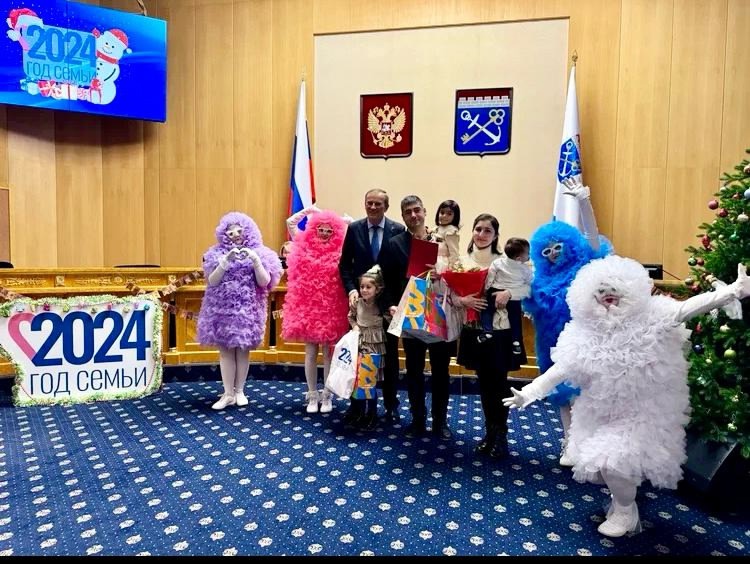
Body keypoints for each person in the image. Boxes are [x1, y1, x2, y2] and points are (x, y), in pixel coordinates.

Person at [504, 257, 750, 537]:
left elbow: (687, 308)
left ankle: (625, 511)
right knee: (598, 471)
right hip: (600, 412)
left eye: (615, 290)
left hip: (642, 413)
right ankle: (621, 498)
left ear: (630, 289)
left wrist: (731, 291)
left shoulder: (653, 315)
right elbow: (561, 370)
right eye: (601, 291)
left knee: (613, 463)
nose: (608, 296)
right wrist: (528, 393)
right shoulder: (583, 331)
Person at [522, 179, 612, 465]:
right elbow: (532, 303)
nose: (552, 254)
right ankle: (570, 443)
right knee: (562, 394)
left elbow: (593, 237)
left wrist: (584, 202)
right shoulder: (541, 278)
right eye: (545, 251)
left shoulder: (585, 263)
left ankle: (590, 446)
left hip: (587, 341)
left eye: (557, 247)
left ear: (569, 244)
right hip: (553, 343)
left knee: (585, 397)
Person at [379, 195, 456, 439]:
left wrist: (443, 274)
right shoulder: (394, 244)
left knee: (441, 370)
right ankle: (418, 420)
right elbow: (386, 279)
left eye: (417, 210)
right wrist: (390, 305)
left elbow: (457, 271)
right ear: (403, 217)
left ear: (424, 211)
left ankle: (440, 421)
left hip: (439, 312)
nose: (413, 215)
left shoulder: (442, 240)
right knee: (413, 371)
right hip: (411, 314)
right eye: (408, 212)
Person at [198, 212, 283, 410]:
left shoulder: (262, 253)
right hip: (222, 310)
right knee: (226, 351)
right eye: (230, 232)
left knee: (243, 351)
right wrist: (224, 262)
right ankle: (228, 393)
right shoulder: (215, 253)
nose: (235, 235)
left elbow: (265, 282)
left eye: (239, 231)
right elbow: (212, 281)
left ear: (248, 231)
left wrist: (256, 261)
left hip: (249, 310)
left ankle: (240, 391)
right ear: (223, 234)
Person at [339, 188, 405, 424]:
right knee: (359, 358)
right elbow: (344, 265)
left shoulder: (398, 229)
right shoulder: (354, 228)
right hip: (362, 307)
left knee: (389, 359)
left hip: (388, 307)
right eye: (369, 203)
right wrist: (352, 289)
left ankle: (390, 405)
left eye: (378, 204)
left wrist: (395, 302)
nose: (373, 207)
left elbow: (400, 270)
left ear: (386, 206)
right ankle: (357, 406)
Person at [452, 214, 515, 458]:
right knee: (485, 384)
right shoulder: (462, 261)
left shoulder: (505, 262)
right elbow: (451, 295)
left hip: (499, 331)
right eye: (478, 229)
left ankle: (501, 435)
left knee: (499, 384)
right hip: (474, 329)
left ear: (496, 235)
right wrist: (463, 300)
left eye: (487, 230)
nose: (481, 234)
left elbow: (525, 286)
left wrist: (509, 292)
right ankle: (490, 433)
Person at [282, 208, 350, 414]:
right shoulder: (303, 243)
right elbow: (290, 223)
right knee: (310, 353)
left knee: (329, 354)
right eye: (321, 229)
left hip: (332, 308)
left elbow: (356, 232)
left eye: (329, 230)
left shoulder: (341, 247)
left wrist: (347, 221)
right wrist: (310, 210)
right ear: (314, 228)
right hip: (309, 309)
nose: (324, 233)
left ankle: (327, 395)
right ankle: (312, 394)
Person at [478, 237, 532, 370]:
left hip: (495, 291)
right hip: (513, 298)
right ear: (519, 258)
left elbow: (490, 278)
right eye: (528, 253)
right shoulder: (525, 269)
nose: (529, 255)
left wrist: (486, 291)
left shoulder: (497, 262)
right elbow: (530, 283)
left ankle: (487, 331)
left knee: (487, 311)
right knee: (515, 319)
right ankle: (516, 341)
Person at [347, 265, 388, 431]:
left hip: (374, 346)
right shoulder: (357, 303)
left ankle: (371, 414)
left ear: (377, 289)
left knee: (369, 381)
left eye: (368, 287)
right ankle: (358, 412)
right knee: (356, 380)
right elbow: (350, 317)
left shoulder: (381, 305)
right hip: (358, 344)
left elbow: (391, 319)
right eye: (362, 286)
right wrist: (355, 326)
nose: (364, 290)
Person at [434, 199, 461, 273]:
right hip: (432, 260)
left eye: (449, 214)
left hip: (442, 264)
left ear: (455, 216)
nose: (444, 216)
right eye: (442, 212)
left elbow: (454, 253)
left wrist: (450, 270)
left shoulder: (451, 231)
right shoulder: (436, 228)